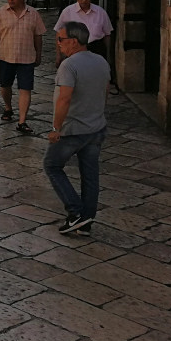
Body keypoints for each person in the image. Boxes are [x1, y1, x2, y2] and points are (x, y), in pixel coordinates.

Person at [45, 21, 110, 235]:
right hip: (96, 127)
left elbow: (64, 98)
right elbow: (105, 91)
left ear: (73, 41)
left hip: (74, 129)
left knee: (52, 165)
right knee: (90, 174)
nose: (59, 43)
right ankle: (86, 221)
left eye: (61, 40)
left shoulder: (69, 65)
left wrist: (56, 128)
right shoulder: (101, 61)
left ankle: (76, 213)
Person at [0, 0, 46, 134]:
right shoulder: (1, 13)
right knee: (5, 86)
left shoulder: (33, 14)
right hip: (6, 56)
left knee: (25, 88)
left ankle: (22, 121)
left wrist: (38, 54)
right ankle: (8, 107)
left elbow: (38, 36)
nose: (10, 0)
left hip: (27, 58)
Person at [54, 0, 120, 94]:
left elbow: (107, 34)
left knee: (96, 78)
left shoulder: (100, 12)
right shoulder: (68, 12)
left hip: (96, 48)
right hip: (75, 49)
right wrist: (58, 55)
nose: (84, 1)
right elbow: (58, 33)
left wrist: (108, 56)